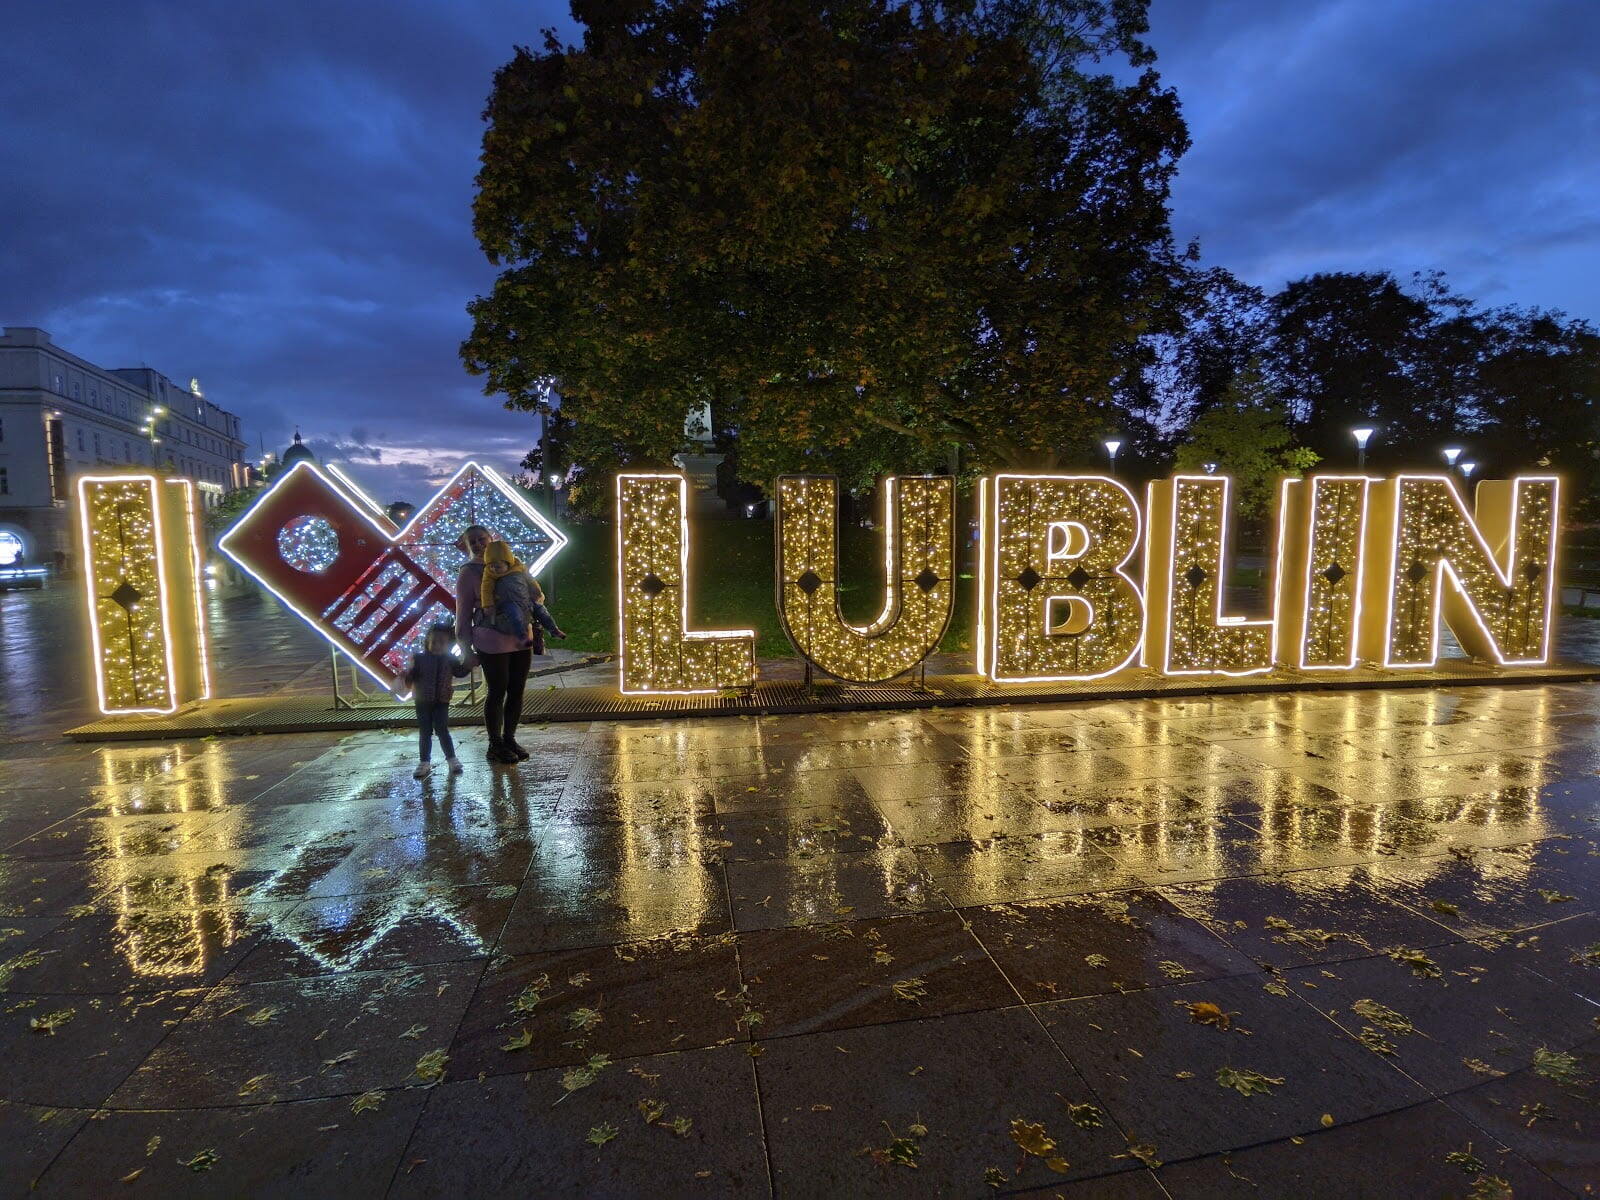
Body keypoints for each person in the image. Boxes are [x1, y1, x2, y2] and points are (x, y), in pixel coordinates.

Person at [455, 525, 533, 765]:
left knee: (517, 689)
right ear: (467, 547)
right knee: (497, 690)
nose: (479, 545)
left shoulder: (514, 565)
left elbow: (530, 593)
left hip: (520, 637)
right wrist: (465, 647)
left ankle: (509, 738)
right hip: (490, 638)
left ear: (492, 540)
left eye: (482, 539)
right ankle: (495, 743)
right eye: (473, 542)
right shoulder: (468, 572)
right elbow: (463, 611)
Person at [403, 621, 471, 779]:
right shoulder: (419, 659)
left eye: (442, 642)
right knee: (425, 732)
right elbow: (411, 677)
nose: (437, 645)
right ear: (427, 641)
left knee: (442, 729)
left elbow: (459, 672)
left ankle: (451, 758)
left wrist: (468, 666)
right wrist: (406, 677)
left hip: (442, 700)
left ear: (448, 644)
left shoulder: (450, 659)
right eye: (434, 642)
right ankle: (424, 762)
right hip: (422, 701)